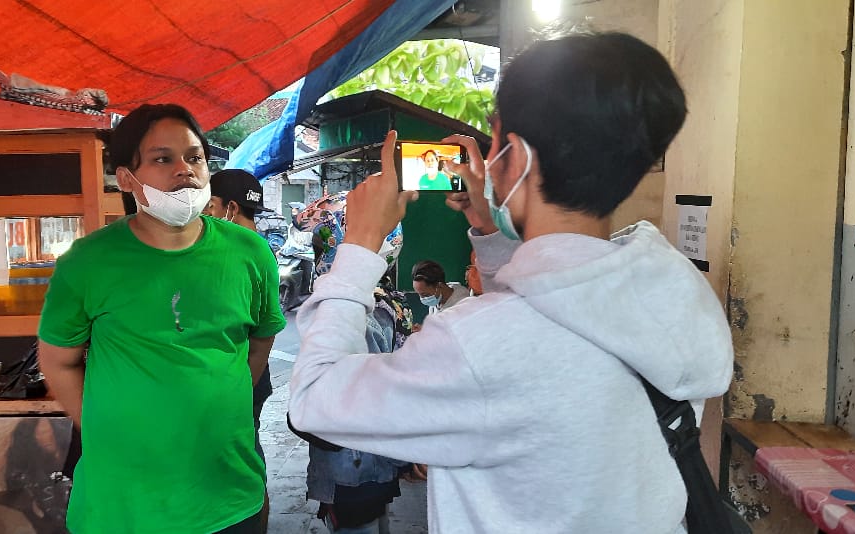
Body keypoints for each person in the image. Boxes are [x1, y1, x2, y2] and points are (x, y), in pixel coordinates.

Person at [288, 32, 733, 533]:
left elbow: (314, 399)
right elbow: (554, 314)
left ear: (515, 157)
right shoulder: (674, 298)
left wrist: (360, 245)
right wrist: (487, 226)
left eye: (493, 143)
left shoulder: (474, 346)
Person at [37, 103, 286, 534]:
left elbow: (261, 339)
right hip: (121, 507)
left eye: (194, 157)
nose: (184, 170)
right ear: (126, 178)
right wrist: (104, 429)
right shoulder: (87, 262)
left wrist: (225, 406)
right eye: (162, 158)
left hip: (227, 496)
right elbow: (59, 362)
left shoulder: (251, 252)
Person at [289, 205, 415, 534]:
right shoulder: (387, 301)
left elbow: (350, 399)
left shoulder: (353, 310)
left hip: (353, 464)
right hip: (373, 460)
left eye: (320, 246)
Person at [202, 167, 275, 533]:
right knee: (247, 457)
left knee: (238, 463)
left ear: (229, 208)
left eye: (210, 207)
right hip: (248, 381)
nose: (205, 215)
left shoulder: (232, 252)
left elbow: (261, 337)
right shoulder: (262, 249)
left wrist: (239, 388)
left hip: (238, 380)